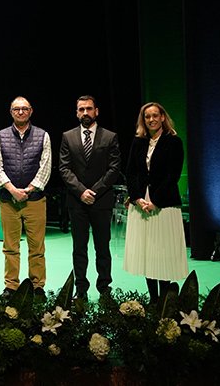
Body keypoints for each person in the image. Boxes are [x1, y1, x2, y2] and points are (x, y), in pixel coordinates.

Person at [122, 102, 188, 303]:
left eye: (154, 116)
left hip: (164, 205)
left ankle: (165, 302)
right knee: (147, 254)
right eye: (147, 117)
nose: (151, 120)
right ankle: (153, 300)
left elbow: (172, 175)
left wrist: (155, 201)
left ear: (162, 118)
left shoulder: (173, 142)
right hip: (141, 203)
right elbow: (131, 172)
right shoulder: (138, 142)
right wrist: (137, 198)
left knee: (162, 254)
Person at [58, 95, 121, 300]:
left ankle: (104, 288)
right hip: (77, 201)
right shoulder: (68, 137)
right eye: (81, 109)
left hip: (101, 200)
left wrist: (94, 191)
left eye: (89, 109)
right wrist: (81, 191)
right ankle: (81, 289)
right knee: (79, 248)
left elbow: (114, 168)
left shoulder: (110, 137)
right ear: (77, 113)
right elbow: (64, 168)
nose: (85, 112)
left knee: (103, 248)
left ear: (96, 111)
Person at [0, 97, 52, 298]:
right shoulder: (0, 136)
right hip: (9, 201)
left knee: (37, 247)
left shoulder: (43, 136)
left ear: (31, 111)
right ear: (11, 112)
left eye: (24, 109)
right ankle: (11, 286)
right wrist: (12, 189)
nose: (21, 112)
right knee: (10, 247)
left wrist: (29, 189)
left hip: (35, 200)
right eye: (17, 109)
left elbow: (46, 167)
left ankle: (37, 286)